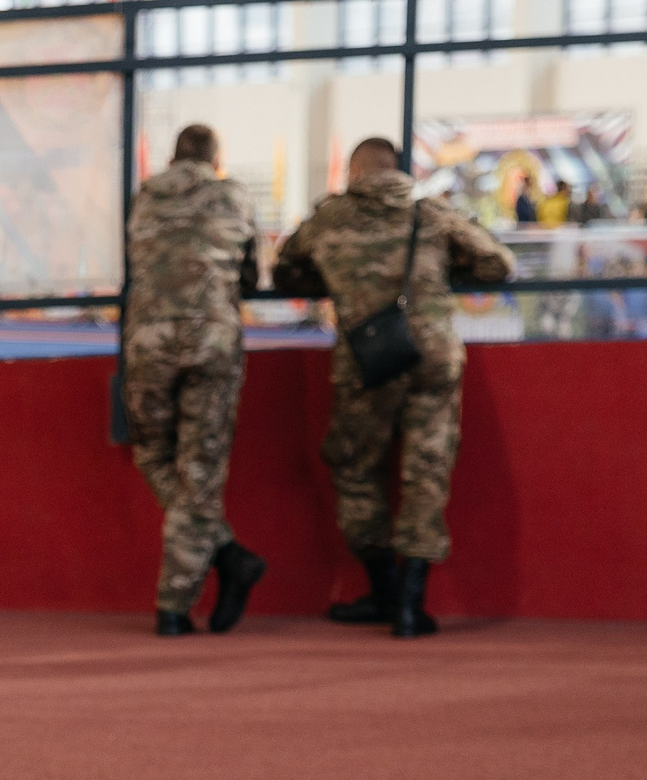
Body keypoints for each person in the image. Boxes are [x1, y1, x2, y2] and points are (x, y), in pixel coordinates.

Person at [274, 137, 513, 638]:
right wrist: (441, 272)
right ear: (399, 171)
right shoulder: (432, 213)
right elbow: (498, 263)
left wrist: (339, 279)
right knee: (426, 470)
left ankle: (383, 588)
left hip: (368, 358)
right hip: (433, 353)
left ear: (355, 173)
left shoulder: (329, 219)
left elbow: (285, 273)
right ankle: (410, 604)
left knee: (355, 465)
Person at [122, 124, 265, 636]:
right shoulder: (234, 196)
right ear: (215, 160)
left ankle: (227, 560)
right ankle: (180, 599)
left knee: (150, 453)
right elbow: (250, 276)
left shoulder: (144, 196)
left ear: (172, 157)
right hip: (212, 341)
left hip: (149, 340)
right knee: (199, 470)